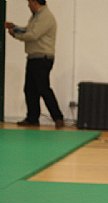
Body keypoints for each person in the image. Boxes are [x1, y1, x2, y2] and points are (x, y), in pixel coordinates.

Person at [4, 0, 64, 129]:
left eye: (29, 2)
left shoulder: (46, 16)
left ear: (35, 2)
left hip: (42, 58)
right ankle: (32, 118)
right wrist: (14, 26)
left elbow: (33, 35)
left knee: (43, 88)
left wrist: (15, 35)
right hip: (34, 58)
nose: (28, 5)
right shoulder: (36, 16)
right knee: (30, 89)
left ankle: (58, 118)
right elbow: (27, 29)